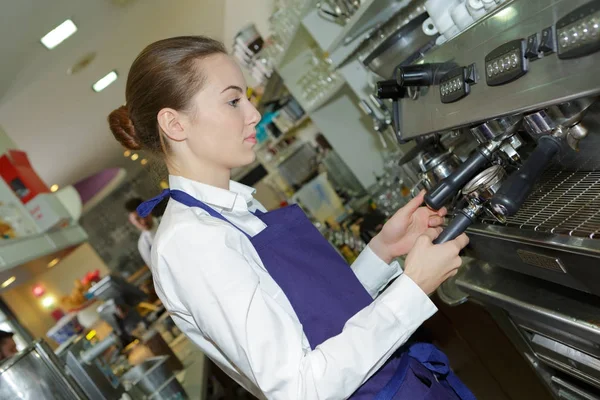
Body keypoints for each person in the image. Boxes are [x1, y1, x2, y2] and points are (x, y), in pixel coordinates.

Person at [108, 36, 472, 400]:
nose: (253, 114)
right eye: (233, 101)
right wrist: (412, 288)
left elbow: (318, 323)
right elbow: (300, 388)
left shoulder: (232, 210)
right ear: (175, 124)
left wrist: (382, 251)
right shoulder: (193, 243)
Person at [125, 197, 157, 268]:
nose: (143, 221)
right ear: (131, 221)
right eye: (137, 219)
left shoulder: (170, 222)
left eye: (144, 214)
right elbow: (155, 271)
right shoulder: (142, 245)